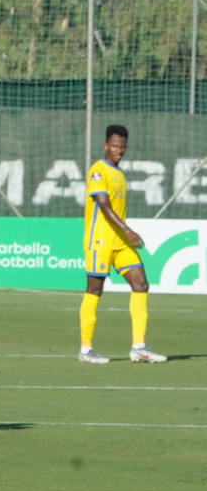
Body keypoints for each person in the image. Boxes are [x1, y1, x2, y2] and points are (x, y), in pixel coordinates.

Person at [78, 124, 167, 364]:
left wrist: (124, 234)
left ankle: (139, 346)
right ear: (106, 145)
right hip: (100, 240)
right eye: (116, 146)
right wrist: (128, 230)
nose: (120, 150)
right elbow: (104, 206)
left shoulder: (119, 172)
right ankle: (86, 349)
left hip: (120, 242)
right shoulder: (99, 170)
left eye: (123, 146)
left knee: (141, 284)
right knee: (94, 289)